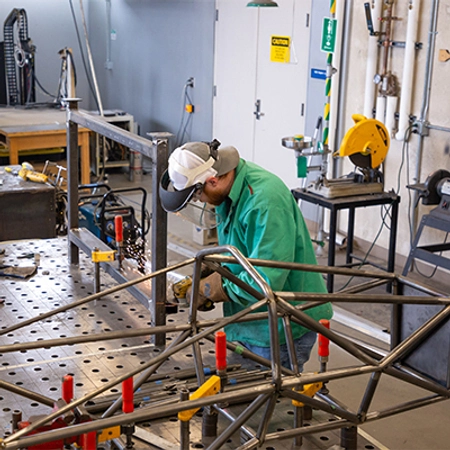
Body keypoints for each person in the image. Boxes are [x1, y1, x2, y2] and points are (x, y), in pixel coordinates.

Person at [159, 140, 332, 371]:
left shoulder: (264, 202)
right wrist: (212, 269)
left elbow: (265, 282)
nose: (199, 201)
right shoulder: (228, 188)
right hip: (252, 319)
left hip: (281, 323)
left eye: (198, 195)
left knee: (269, 401)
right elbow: (240, 249)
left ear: (212, 179)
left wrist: (209, 289)